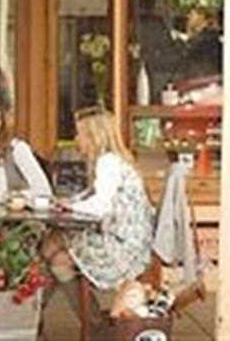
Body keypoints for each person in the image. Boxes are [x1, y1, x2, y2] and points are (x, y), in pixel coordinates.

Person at [44, 106, 154, 290]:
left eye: (80, 134)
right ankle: (50, 302)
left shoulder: (108, 162)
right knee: (55, 243)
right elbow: (99, 197)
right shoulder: (116, 160)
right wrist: (72, 203)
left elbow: (100, 207)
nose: (77, 139)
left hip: (121, 250)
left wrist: (70, 207)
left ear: (94, 137)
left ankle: (70, 304)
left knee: (54, 249)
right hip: (133, 246)